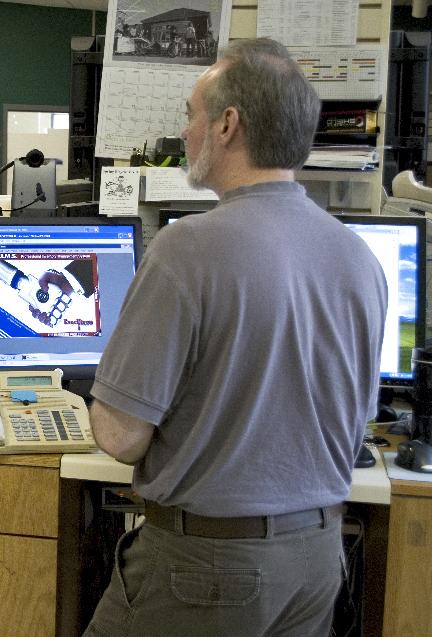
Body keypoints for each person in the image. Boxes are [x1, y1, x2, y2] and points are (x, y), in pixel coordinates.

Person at [84, 38, 387, 637]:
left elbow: (119, 437)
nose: (186, 131)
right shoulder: (359, 259)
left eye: (191, 114)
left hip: (209, 570)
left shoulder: (184, 250)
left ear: (228, 125)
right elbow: (353, 423)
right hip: (317, 564)